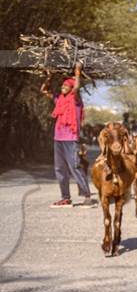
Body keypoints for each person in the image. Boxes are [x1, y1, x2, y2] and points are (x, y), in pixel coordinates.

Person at [40, 63, 97, 208]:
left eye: (66, 86)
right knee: (59, 169)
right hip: (58, 139)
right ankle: (65, 198)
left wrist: (77, 72)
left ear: (72, 89)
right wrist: (49, 77)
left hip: (71, 139)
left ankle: (87, 197)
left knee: (75, 167)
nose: (63, 87)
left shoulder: (75, 100)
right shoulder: (59, 100)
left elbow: (77, 87)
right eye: (62, 86)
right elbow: (44, 90)